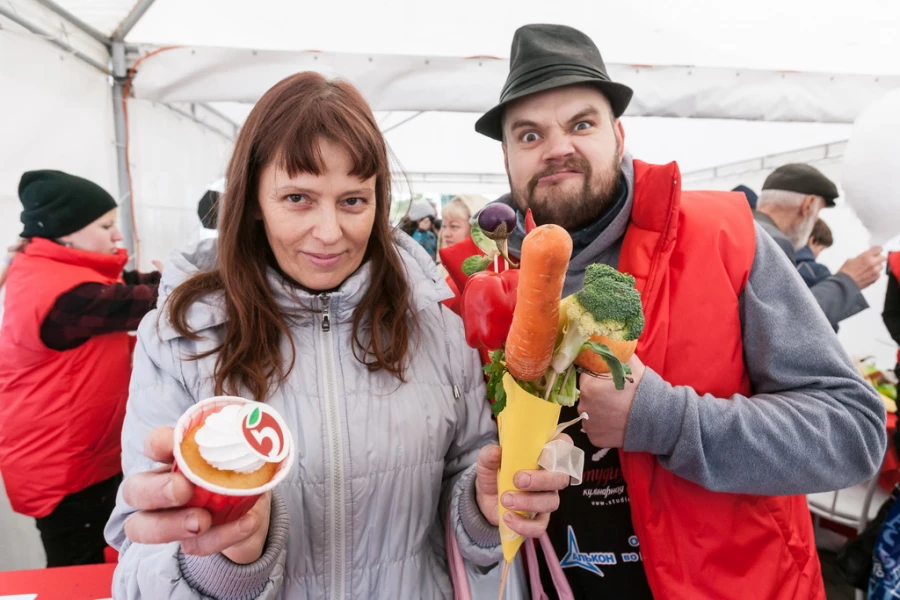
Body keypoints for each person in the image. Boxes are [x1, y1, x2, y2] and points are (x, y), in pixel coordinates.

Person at [443, 23, 886, 599]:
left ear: (619, 135)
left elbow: (852, 432)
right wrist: (487, 505)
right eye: (528, 135)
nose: (556, 147)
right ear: (507, 159)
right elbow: (462, 468)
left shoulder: (727, 238)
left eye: (581, 123)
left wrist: (666, 420)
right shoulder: (484, 282)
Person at [103, 72, 570, 598]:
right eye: (298, 197)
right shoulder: (182, 339)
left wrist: (483, 510)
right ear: (253, 198)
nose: (329, 232)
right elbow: (140, 552)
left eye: (353, 201)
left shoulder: (437, 322)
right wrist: (230, 559)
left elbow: (467, 488)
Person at [0, 170, 161, 567]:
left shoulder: (51, 270)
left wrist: (170, 276)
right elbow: (136, 301)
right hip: (66, 469)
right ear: (67, 233)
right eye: (106, 225)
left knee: (102, 556)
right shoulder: (66, 296)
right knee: (77, 570)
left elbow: (122, 285)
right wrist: (188, 284)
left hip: (74, 453)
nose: (118, 235)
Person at [754, 163, 885, 329]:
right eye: (818, 213)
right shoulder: (772, 243)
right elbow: (782, 325)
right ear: (808, 205)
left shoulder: (746, 229)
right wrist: (848, 280)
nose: (815, 220)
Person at [797, 218, 834, 287]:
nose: (818, 255)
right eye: (821, 249)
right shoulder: (816, 272)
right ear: (813, 241)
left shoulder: (783, 246)